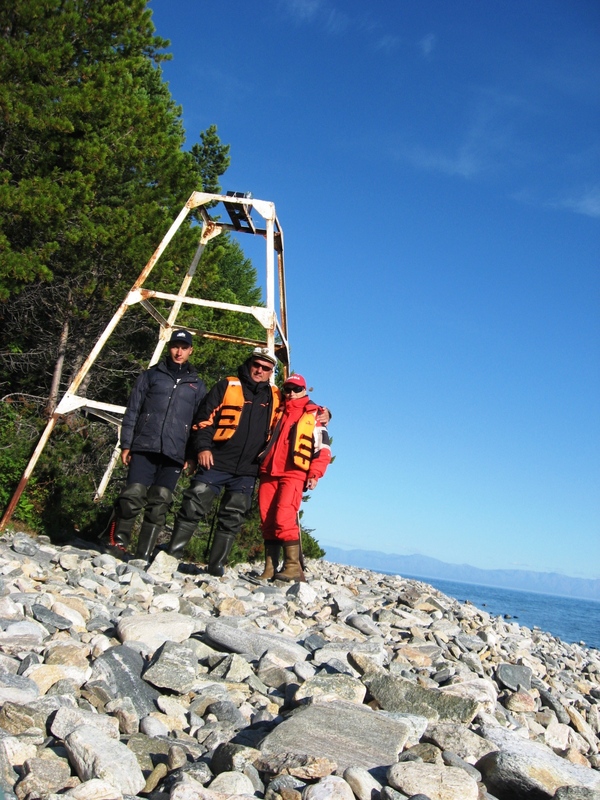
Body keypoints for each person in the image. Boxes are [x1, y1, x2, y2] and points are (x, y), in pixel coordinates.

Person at [167, 347, 330, 576]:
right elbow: (203, 419)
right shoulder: (230, 386)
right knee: (194, 504)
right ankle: (171, 556)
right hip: (218, 460)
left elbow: (313, 425)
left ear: (271, 372)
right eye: (257, 365)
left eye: (266, 368)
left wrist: (325, 412)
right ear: (249, 363)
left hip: (249, 470)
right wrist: (202, 448)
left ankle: (218, 567)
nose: (260, 371)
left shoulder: (277, 398)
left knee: (234, 517)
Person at [103, 329, 206, 562]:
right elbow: (133, 411)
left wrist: (191, 455)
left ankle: (143, 554)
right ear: (169, 348)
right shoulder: (150, 376)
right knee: (132, 496)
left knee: (160, 502)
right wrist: (126, 444)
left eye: (184, 348)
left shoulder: (198, 386)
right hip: (144, 445)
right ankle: (117, 543)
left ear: (190, 351)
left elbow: (199, 424)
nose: (179, 352)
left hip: (175, 453)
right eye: (175, 347)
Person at [257, 373, 331, 583]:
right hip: (269, 471)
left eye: (296, 389)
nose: (291, 393)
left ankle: (292, 567)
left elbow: (323, 449)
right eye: (288, 389)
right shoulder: (277, 410)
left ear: (304, 391)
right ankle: (270, 568)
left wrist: (315, 474)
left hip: (294, 473)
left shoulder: (315, 414)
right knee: (267, 520)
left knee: (284, 518)